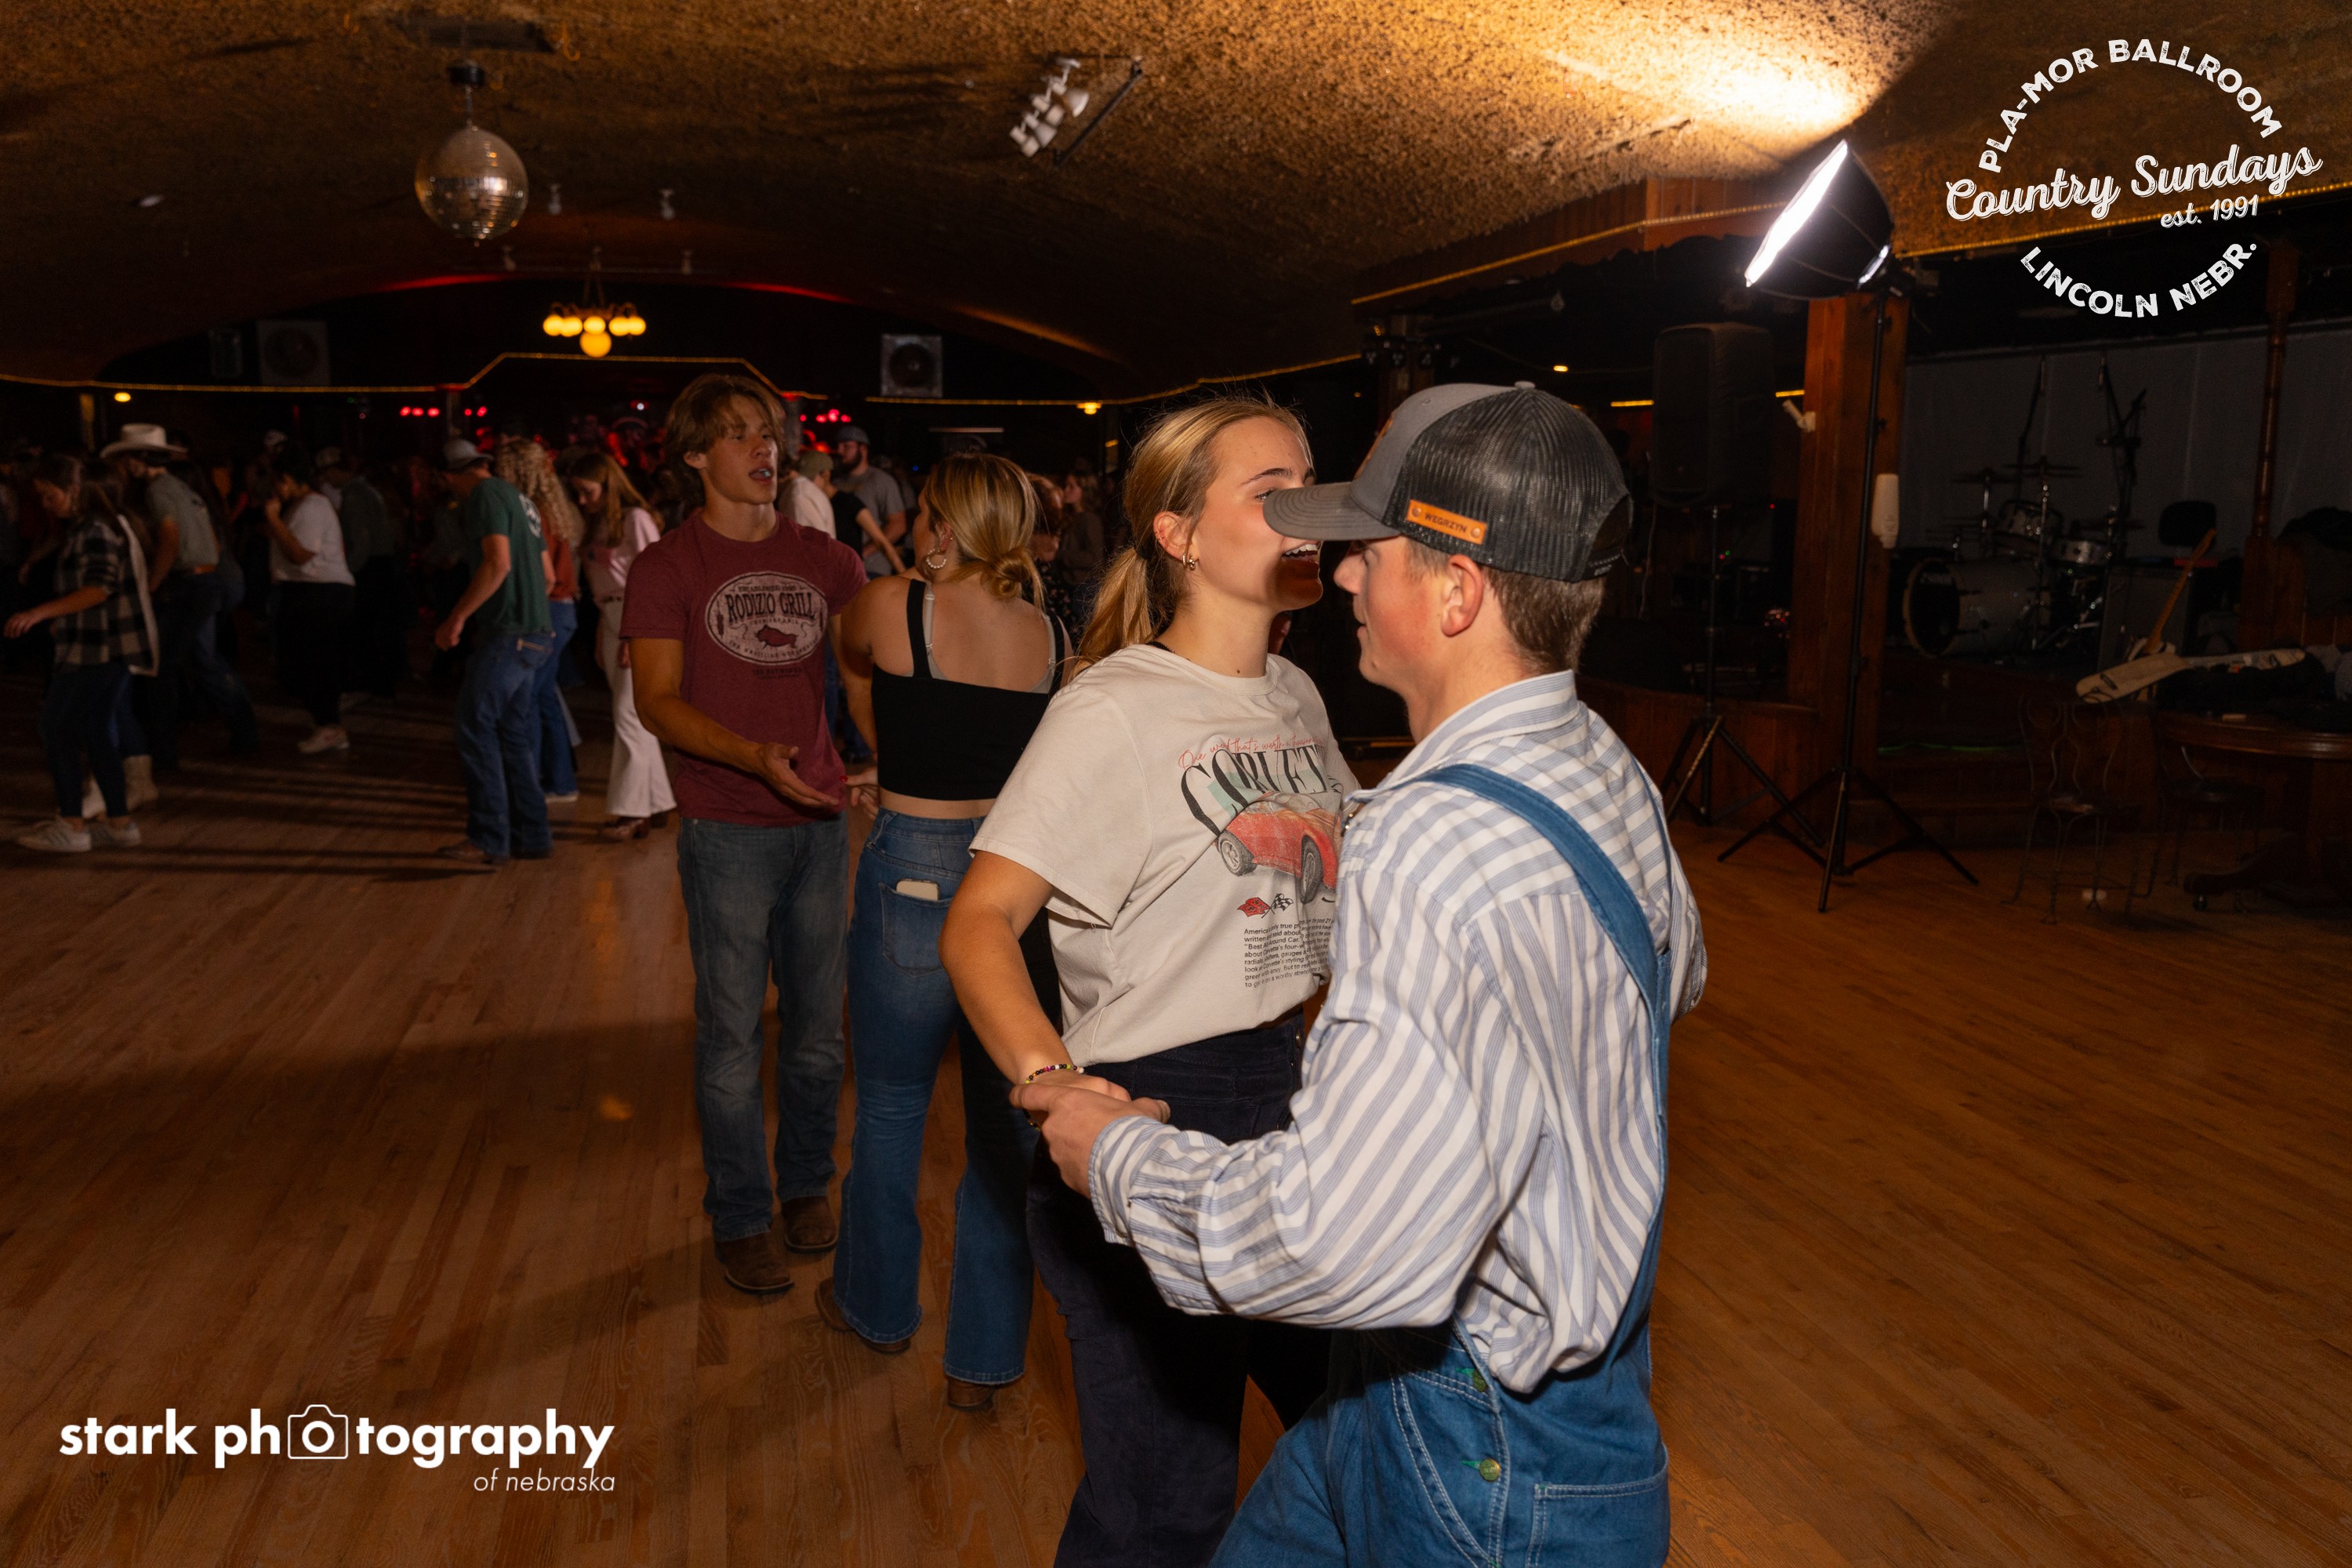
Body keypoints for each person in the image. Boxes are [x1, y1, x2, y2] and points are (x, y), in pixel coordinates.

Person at [1014, 385, 1707, 1568]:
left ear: (1456, 592)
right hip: (1433, 1391)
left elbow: (1338, 1242)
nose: (1339, 574)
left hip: (1481, 1452)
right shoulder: (1604, 765)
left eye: (1370, 552)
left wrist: (1117, 1154)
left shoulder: (1432, 839)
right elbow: (1672, 974)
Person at [936, 397, 1350, 1566]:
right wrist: (1055, 1083)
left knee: (1359, 1438)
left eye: (1312, 482)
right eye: (1272, 490)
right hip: (1155, 1102)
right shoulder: (1112, 708)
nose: (1309, 511)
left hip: (1292, 1097)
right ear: (1179, 534)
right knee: (1164, 1509)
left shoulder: (1297, 694)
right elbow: (979, 922)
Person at [825, 452, 1065, 1412]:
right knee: (1007, 1130)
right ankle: (981, 1362)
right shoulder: (1049, 635)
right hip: (1013, 882)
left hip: (914, 870)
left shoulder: (895, 607)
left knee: (890, 1107)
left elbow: (847, 654)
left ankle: (877, 1308)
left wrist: (886, 752)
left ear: (947, 522)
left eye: (926, 509)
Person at [622, 374, 866, 1294]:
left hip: (821, 823)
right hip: (726, 826)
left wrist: (888, 757)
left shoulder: (825, 558)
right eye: (736, 434)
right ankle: (740, 1214)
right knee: (730, 1039)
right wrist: (751, 756)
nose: (763, 448)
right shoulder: (669, 566)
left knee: (817, 1036)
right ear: (695, 454)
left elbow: (870, 669)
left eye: (767, 432)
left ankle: (805, 1186)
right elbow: (657, 701)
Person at [6, 456, 156, 852]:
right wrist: (63, 618)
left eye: (49, 495)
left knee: (55, 727)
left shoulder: (95, 530)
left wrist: (39, 613)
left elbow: (99, 588)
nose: (45, 504)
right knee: (94, 730)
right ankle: (120, 823)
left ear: (74, 491)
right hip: (102, 645)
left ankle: (72, 825)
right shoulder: (91, 528)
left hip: (98, 649)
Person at [104, 425, 259, 766]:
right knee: (202, 661)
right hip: (205, 579)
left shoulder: (158, 492)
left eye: (128, 457)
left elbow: (170, 540)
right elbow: (211, 541)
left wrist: (153, 583)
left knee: (166, 667)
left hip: (190, 584)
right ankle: (241, 730)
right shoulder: (181, 487)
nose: (126, 465)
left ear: (140, 458)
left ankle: (164, 751)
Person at [434, 438, 555, 866]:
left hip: (508, 635)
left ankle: (488, 838)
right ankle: (532, 835)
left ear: (449, 476)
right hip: (536, 634)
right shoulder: (522, 499)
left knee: (475, 727)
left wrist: (457, 617)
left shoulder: (484, 497)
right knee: (513, 735)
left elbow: (497, 563)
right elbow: (548, 575)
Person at [563, 448, 676, 840]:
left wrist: (634, 633)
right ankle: (657, 801)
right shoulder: (601, 523)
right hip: (611, 616)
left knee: (629, 715)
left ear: (607, 485)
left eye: (588, 491)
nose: (582, 500)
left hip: (637, 621)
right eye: (578, 492)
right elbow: (604, 585)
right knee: (633, 716)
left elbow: (657, 580)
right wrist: (603, 631)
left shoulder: (636, 519)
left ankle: (632, 811)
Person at [494, 437, 588, 804]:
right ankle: (560, 783)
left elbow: (543, 576)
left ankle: (530, 787)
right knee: (544, 696)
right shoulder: (553, 507)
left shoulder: (532, 513)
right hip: (562, 609)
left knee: (529, 698)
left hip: (546, 610)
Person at [255, 452, 356, 756]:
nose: (275, 489)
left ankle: (329, 725)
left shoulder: (312, 506)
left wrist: (274, 520)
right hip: (307, 590)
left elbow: (300, 554)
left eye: (278, 481)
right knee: (302, 662)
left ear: (288, 480)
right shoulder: (303, 506)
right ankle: (327, 723)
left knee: (313, 663)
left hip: (319, 592)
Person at [318, 449, 405, 700]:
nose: (326, 478)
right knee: (373, 627)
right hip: (379, 564)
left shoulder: (355, 496)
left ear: (336, 470)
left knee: (362, 627)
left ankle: (374, 682)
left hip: (370, 567)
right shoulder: (364, 491)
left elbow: (361, 541)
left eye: (327, 472)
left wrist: (348, 573)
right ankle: (381, 681)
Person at [833, 426, 909, 550]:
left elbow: (898, 525)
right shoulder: (836, 483)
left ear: (863, 449)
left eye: (847, 446)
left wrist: (865, 553)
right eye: (839, 446)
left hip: (870, 561)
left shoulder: (881, 481)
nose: (840, 451)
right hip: (842, 558)